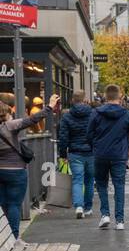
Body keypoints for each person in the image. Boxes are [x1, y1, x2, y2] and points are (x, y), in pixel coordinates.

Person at [0, 96, 56, 236]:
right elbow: (32, 119)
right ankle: (14, 237)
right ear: (5, 114)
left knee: (3, 205)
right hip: (16, 171)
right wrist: (49, 107)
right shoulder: (9, 125)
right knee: (14, 204)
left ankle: (4, 237)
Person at [88, 85, 129, 231]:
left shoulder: (96, 113)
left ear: (105, 96)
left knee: (102, 184)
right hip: (119, 155)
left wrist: (95, 146)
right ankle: (120, 220)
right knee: (119, 185)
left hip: (100, 154)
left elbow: (89, 134)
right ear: (120, 96)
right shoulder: (127, 115)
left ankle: (105, 214)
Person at [56, 89, 96, 219]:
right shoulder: (93, 114)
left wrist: (62, 154)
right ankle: (88, 208)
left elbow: (63, 137)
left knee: (77, 180)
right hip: (91, 152)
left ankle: (79, 206)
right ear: (85, 100)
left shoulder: (67, 116)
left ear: (73, 100)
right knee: (89, 180)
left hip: (75, 152)